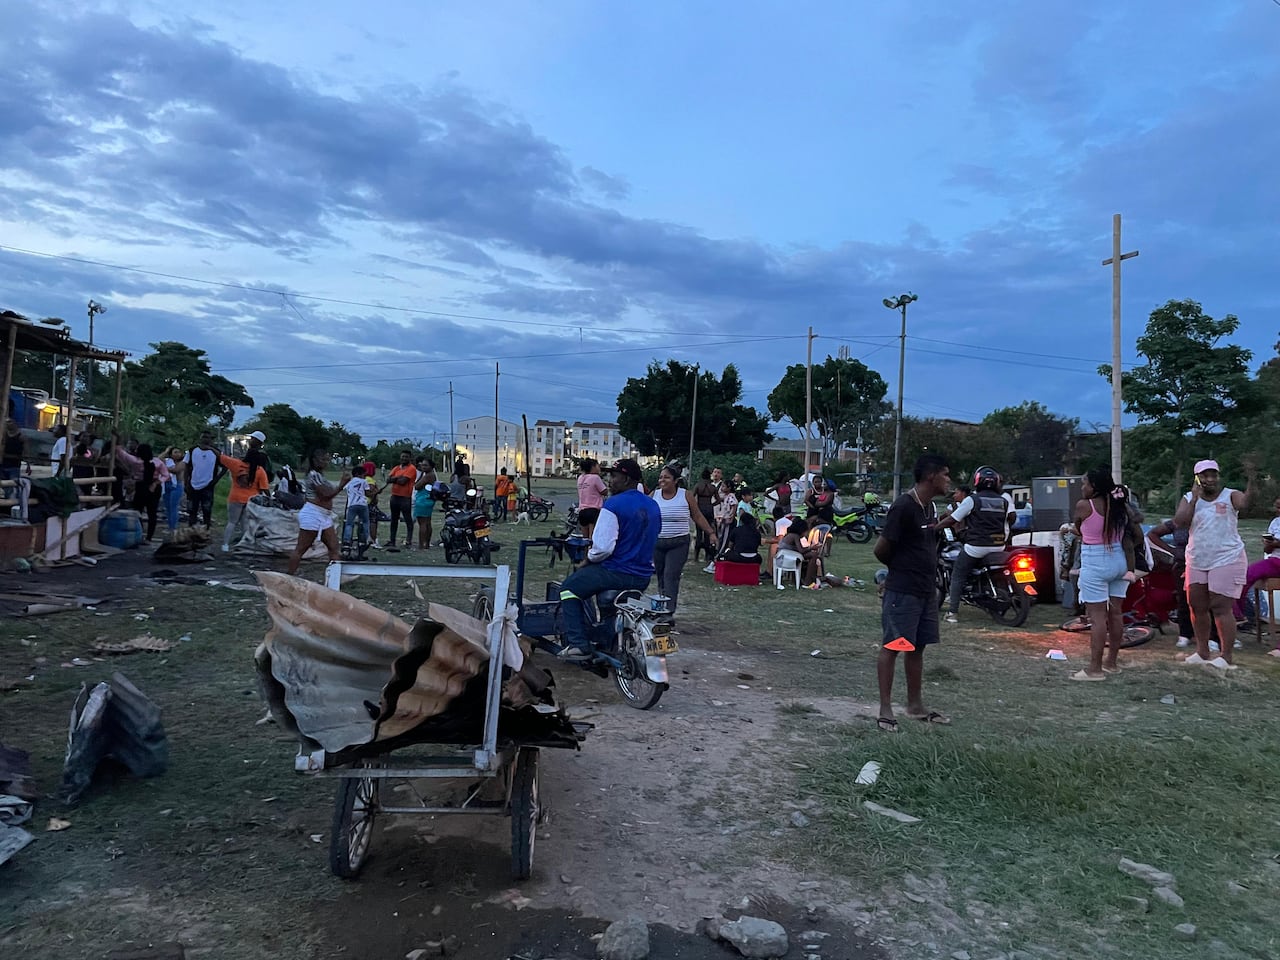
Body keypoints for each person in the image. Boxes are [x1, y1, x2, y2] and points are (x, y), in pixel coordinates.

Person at [873, 453, 952, 732]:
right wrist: (899, 570)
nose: (949, 480)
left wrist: (941, 527)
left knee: (917, 647)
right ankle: (885, 709)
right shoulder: (903, 507)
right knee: (894, 645)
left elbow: (924, 540)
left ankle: (915, 705)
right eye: (945, 474)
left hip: (925, 589)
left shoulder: (928, 508)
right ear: (931, 476)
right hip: (903, 589)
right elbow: (881, 549)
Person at [558, 459, 662, 657]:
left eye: (614, 476)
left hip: (616, 572)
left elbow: (602, 549)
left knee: (568, 589)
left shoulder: (613, 504)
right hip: (643, 576)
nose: (610, 481)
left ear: (627, 479)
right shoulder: (653, 505)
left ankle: (578, 644)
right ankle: (607, 641)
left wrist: (587, 560)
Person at [1174, 458, 1256, 669]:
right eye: (1204, 476)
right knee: (1197, 606)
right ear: (1197, 478)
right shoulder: (1188, 498)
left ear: (1218, 476)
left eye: (1213, 475)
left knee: (1220, 607)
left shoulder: (1230, 495)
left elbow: (1246, 504)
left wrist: (1252, 478)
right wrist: (1194, 499)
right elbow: (1180, 522)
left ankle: (1225, 657)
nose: (1210, 479)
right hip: (1197, 559)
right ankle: (1202, 652)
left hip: (1226, 558)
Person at [1069, 466, 1140, 680]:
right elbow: (1135, 533)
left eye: (1085, 484)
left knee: (1097, 617)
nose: (1082, 487)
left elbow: (1079, 529)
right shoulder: (1120, 505)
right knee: (1115, 613)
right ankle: (1111, 663)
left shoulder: (1084, 505)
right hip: (1119, 561)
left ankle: (1094, 669)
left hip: (1095, 562)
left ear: (1094, 486)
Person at [937, 467, 1015, 623]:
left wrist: (935, 528)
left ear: (977, 481)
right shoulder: (1004, 501)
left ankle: (952, 613)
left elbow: (953, 519)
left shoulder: (972, 500)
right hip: (999, 546)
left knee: (958, 574)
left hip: (976, 547)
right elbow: (1012, 518)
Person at [651, 463, 718, 613]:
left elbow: (697, 516)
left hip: (678, 542)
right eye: (661, 477)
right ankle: (661, 607)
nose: (662, 480)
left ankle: (669, 611)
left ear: (675, 480)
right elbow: (644, 515)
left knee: (671, 575)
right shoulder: (654, 495)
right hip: (658, 542)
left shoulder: (685, 495)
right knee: (661, 576)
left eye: (666, 477)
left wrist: (711, 533)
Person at [287, 450, 350, 576]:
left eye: (327, 460)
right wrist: (341, 485)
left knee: (333, 547)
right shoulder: (313, 475)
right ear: (315, 460)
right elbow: (326, 495)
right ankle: (289, 574)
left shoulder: (319, 476)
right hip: (313, 514)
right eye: (323, 460)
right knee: (301, 548)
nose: (326, 463)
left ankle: (336, 576)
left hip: (323, 515)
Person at [218, 447, 270, 552]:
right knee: (245, 523)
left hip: (235, 498)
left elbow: (220, 457)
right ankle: (245, 545)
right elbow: (264, 488)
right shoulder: (260, 470)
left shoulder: (236, 464)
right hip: (251, 500)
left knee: (232, 522)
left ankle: (225, 545)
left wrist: (209, 447)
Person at [130, 444, 170, 542]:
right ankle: (148, 537)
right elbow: (166, 475)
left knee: (138, 511)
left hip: (142, 486)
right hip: (153, 487)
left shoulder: (136, 462)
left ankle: (139, 534)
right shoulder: (157, 462)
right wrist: (156, 483)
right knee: (151, 513)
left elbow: (125, 457)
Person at [183, 431, 223, 528]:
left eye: (208, 437)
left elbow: (225, 466)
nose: (206, 439)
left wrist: (216, 479)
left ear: (211, 440)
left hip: (208, 486)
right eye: (204, 437)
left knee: (207, 511)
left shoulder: (216, 452)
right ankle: (191, 532)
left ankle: (205, 533)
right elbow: (186, 468)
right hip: (193, 485)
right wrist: (186, 483)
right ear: (200, 438)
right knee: (192, 511)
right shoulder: (192, 451)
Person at [777, 517, 823, 586]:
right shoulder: (795, 536)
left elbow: (798, 549)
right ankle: (808, 581)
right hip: (787, 559)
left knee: (813, 554)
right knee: (814, 555)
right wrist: (811, 548)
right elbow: (801, 551)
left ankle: (806, 578)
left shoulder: (789, 535)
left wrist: (809, 548)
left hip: (786, 557)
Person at [386, 450, 417, 550]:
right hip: (395, 496)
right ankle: (392, 540)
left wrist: (394, 478)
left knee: (408, 519)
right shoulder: (397, 467)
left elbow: (403, 482)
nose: (404, 458)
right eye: (403, 456)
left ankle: (408, 540)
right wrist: (397, 478)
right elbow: (388, 479)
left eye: (406, 457)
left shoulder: (412, 468)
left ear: (410, 458)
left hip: (405, 497)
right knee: (394, 519)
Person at [342, 464, 374, 551]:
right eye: (363, 474)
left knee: (349, 524)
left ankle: (347, 541)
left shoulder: (350, 482)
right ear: (359, 474)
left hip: (352, 505)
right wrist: (375, 493)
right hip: (363, 504)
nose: (364, 476)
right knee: (365, 522)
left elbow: (345, 489)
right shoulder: (364, 482)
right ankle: (367, 538)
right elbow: (368, 494)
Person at [692, 468, 720, 564]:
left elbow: (692, 497)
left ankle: (696, 556)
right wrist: (712, 505)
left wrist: (695, 506)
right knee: (708, 532)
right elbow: (719, 500)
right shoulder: (713, 487)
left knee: (699, 533)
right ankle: (707, 556)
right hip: (709, 510)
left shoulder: (698, 486)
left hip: (700, 510)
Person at [413, 459, 437, 549]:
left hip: (422, 499)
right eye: (422, 465)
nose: (423, 467)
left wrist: (420, 476)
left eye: (425, 465)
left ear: (431, 466)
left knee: (422, 523)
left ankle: (421, 544)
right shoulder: (431, 475)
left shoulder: (427, 476)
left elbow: (417, 486)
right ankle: (426, 544)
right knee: (427, 522)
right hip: (429, 499)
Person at [161, 446, 185, 536]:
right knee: (168, 508)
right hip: (167, 484)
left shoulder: (183, 462)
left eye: (179, 452)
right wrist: (166, 451)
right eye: (175, 452)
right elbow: (158, 460)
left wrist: (163, 468)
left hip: (176, 485)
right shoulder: (167, 461)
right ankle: (170, 526)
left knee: (173, 507)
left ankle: (173, 527)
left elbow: (175, 470)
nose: (177, 454)